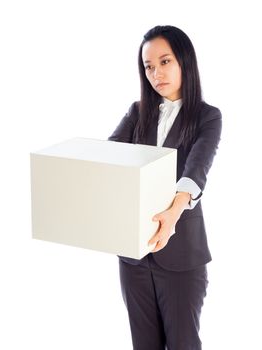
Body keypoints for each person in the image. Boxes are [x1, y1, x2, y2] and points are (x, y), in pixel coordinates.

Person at [108, 25, 222, 350]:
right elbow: (110, 156)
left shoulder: (207, 117)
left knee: (183, 344)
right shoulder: (138, 112)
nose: (156, 73)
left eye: (165, 61)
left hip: (182, 256)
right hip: (133, 257)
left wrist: (174, 210)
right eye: (148, 66)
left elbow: (196, 168)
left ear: (184, 60)